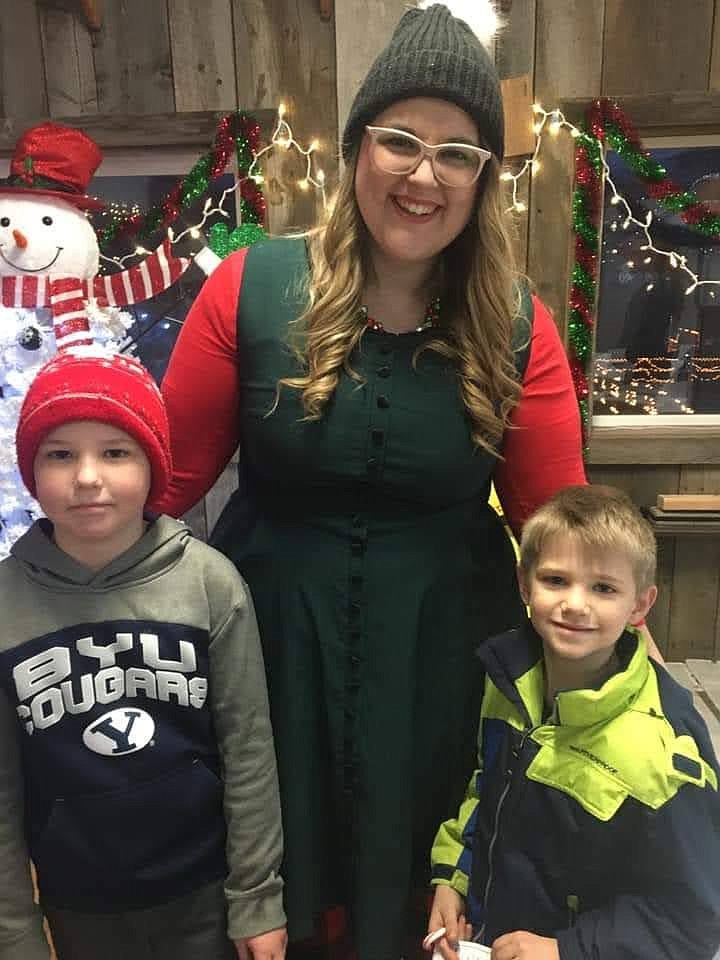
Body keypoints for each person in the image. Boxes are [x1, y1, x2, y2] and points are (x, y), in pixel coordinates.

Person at [158, 3, 586, 957]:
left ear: (484, 179)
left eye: (457, 153)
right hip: (270, 658)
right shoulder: (248, 289)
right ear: (357, 152)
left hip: (441, 665)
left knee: (418, 903)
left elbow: (563, 532)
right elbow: (165, 478)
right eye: (399, 140)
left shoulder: (519, 327)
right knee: (277, 906)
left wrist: (608, 673)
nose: (422, 174)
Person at [0, 350, 286, 960]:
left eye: (114, 452)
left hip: (204, 896)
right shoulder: (6, 603)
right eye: (59, 454)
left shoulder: (209, 583)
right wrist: (18, 933)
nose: (86, 477)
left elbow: (249, 751)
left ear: (150, 465)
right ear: (31, 469)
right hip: (78, 906)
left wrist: (256, 900)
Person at [428, 485, 720, 960]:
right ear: (524, 585)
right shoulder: (508, 682)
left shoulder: (660, 752)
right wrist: (452, 879)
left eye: (603, 587)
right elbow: (486, 788)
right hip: (494, 938)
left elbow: (692, 921)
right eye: (556, 580)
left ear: (640, 605)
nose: (575, 604)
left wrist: (567, 949)